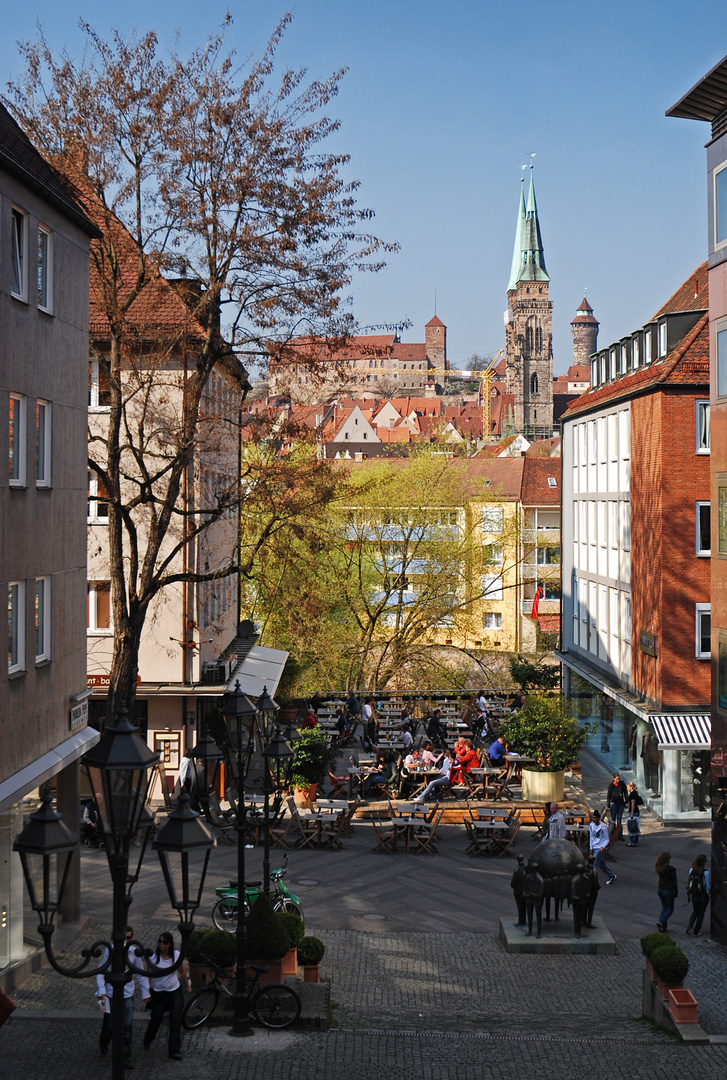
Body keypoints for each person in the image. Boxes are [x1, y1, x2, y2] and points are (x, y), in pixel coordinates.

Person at [96, 925, 149, 1065]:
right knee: (109, 1024)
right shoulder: (110, 951)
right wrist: (101, 991)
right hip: (111, 993)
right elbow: (101, 970)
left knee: (127, 1025)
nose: (127, 941)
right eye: (125, 938)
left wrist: (145, 992)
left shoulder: (134, 952)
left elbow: (140, 972)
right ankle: (104, 1040)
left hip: (127, 993)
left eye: (129, 938)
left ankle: (125, 1056)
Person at [143, 932, 190, 1061]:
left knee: (175, 1021)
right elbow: (149, 976)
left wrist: (187, 984)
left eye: (164, 942)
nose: (161, 944)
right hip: (159, 994)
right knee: (156, 1020)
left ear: (169, 944)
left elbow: (182, 971)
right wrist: (146, 992)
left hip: (174, 992)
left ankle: (174, 1051)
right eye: (160, 941)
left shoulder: (175, 956)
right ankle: (148, 1037)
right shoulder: (154, 958)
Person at [589, 810, 616, 885]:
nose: (593, 819)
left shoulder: (603, 827)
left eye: (594, 818)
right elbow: (591, 837)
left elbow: (606, 839)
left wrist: (603, 847)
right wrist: (591, 847)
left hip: (599, 847)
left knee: (595, 863)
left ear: (598, 818)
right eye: (592, 818)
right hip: (594, 846)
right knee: (602, 864)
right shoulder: (591, 825)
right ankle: (611, 875)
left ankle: (592, 879)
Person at [686, 853, 710, 936]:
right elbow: (707, 885)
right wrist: (709, 893)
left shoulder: (691, 870)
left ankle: (690, 925)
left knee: (695, 911)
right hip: (702, 895)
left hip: (694, 895)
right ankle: (696, 930)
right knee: (701, 913)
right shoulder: (705, 872)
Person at [655, 851, 678, 932]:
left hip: (660, 889)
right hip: (668, 890)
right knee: (670, 909)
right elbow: (674, 881)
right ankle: (660, 921)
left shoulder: (658, 868)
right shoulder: (671, 869)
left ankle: (663, 926)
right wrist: (676, 893)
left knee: (664, 907)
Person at [626, 781, 644, 847]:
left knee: (632, 827)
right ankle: (635, 841)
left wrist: (632, 813)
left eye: (628, 787)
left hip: (633, 812)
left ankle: (632, 842)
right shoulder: (634, 793)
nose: (627, 788)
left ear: (631, 787)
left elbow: (633, 803)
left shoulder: (633, 794)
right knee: (635, 826)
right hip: (635, 811)